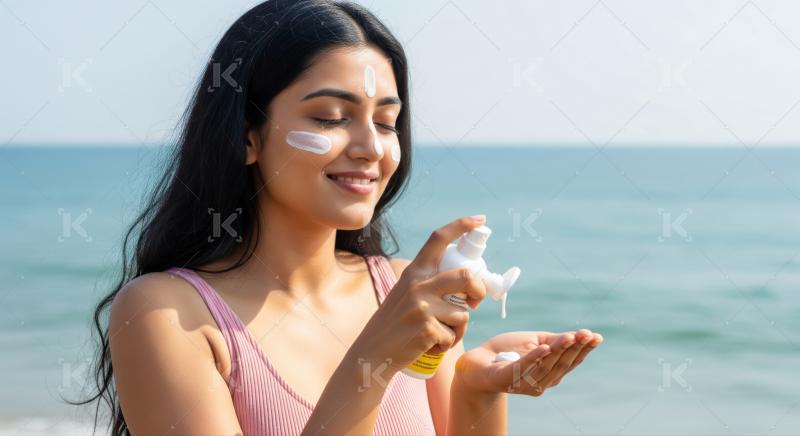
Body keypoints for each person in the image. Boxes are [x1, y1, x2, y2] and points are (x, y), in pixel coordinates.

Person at [78, 1, 603, 434]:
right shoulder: (164, 315)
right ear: (245, 136)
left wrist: (476, 390)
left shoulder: (402, 287)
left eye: (387, 122)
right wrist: (370, 362)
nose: (371, 147)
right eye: (330, 118)